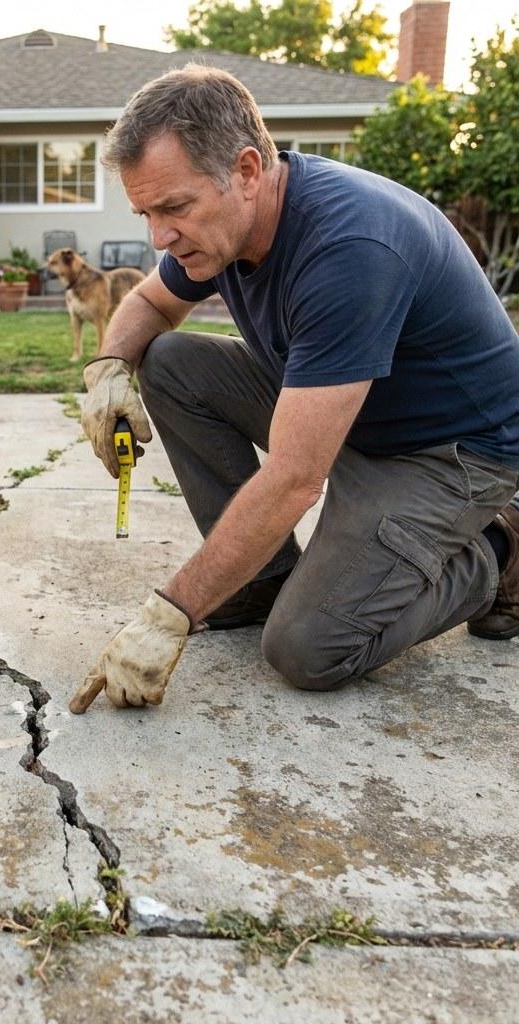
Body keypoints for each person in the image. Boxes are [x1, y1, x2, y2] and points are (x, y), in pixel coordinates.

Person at [69, 65, 519, 714]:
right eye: (146, 213)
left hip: (450, 453)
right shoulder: (223, 230)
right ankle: (256, 583)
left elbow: (294, 478)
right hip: (354, 411)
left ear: (247, 171)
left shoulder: (349, 248)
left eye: (173, 208)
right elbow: (150, 302)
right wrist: (106, 371)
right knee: (168, 361)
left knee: (310, 648)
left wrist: (172, 612)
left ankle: (501, 553)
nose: (159, 237)